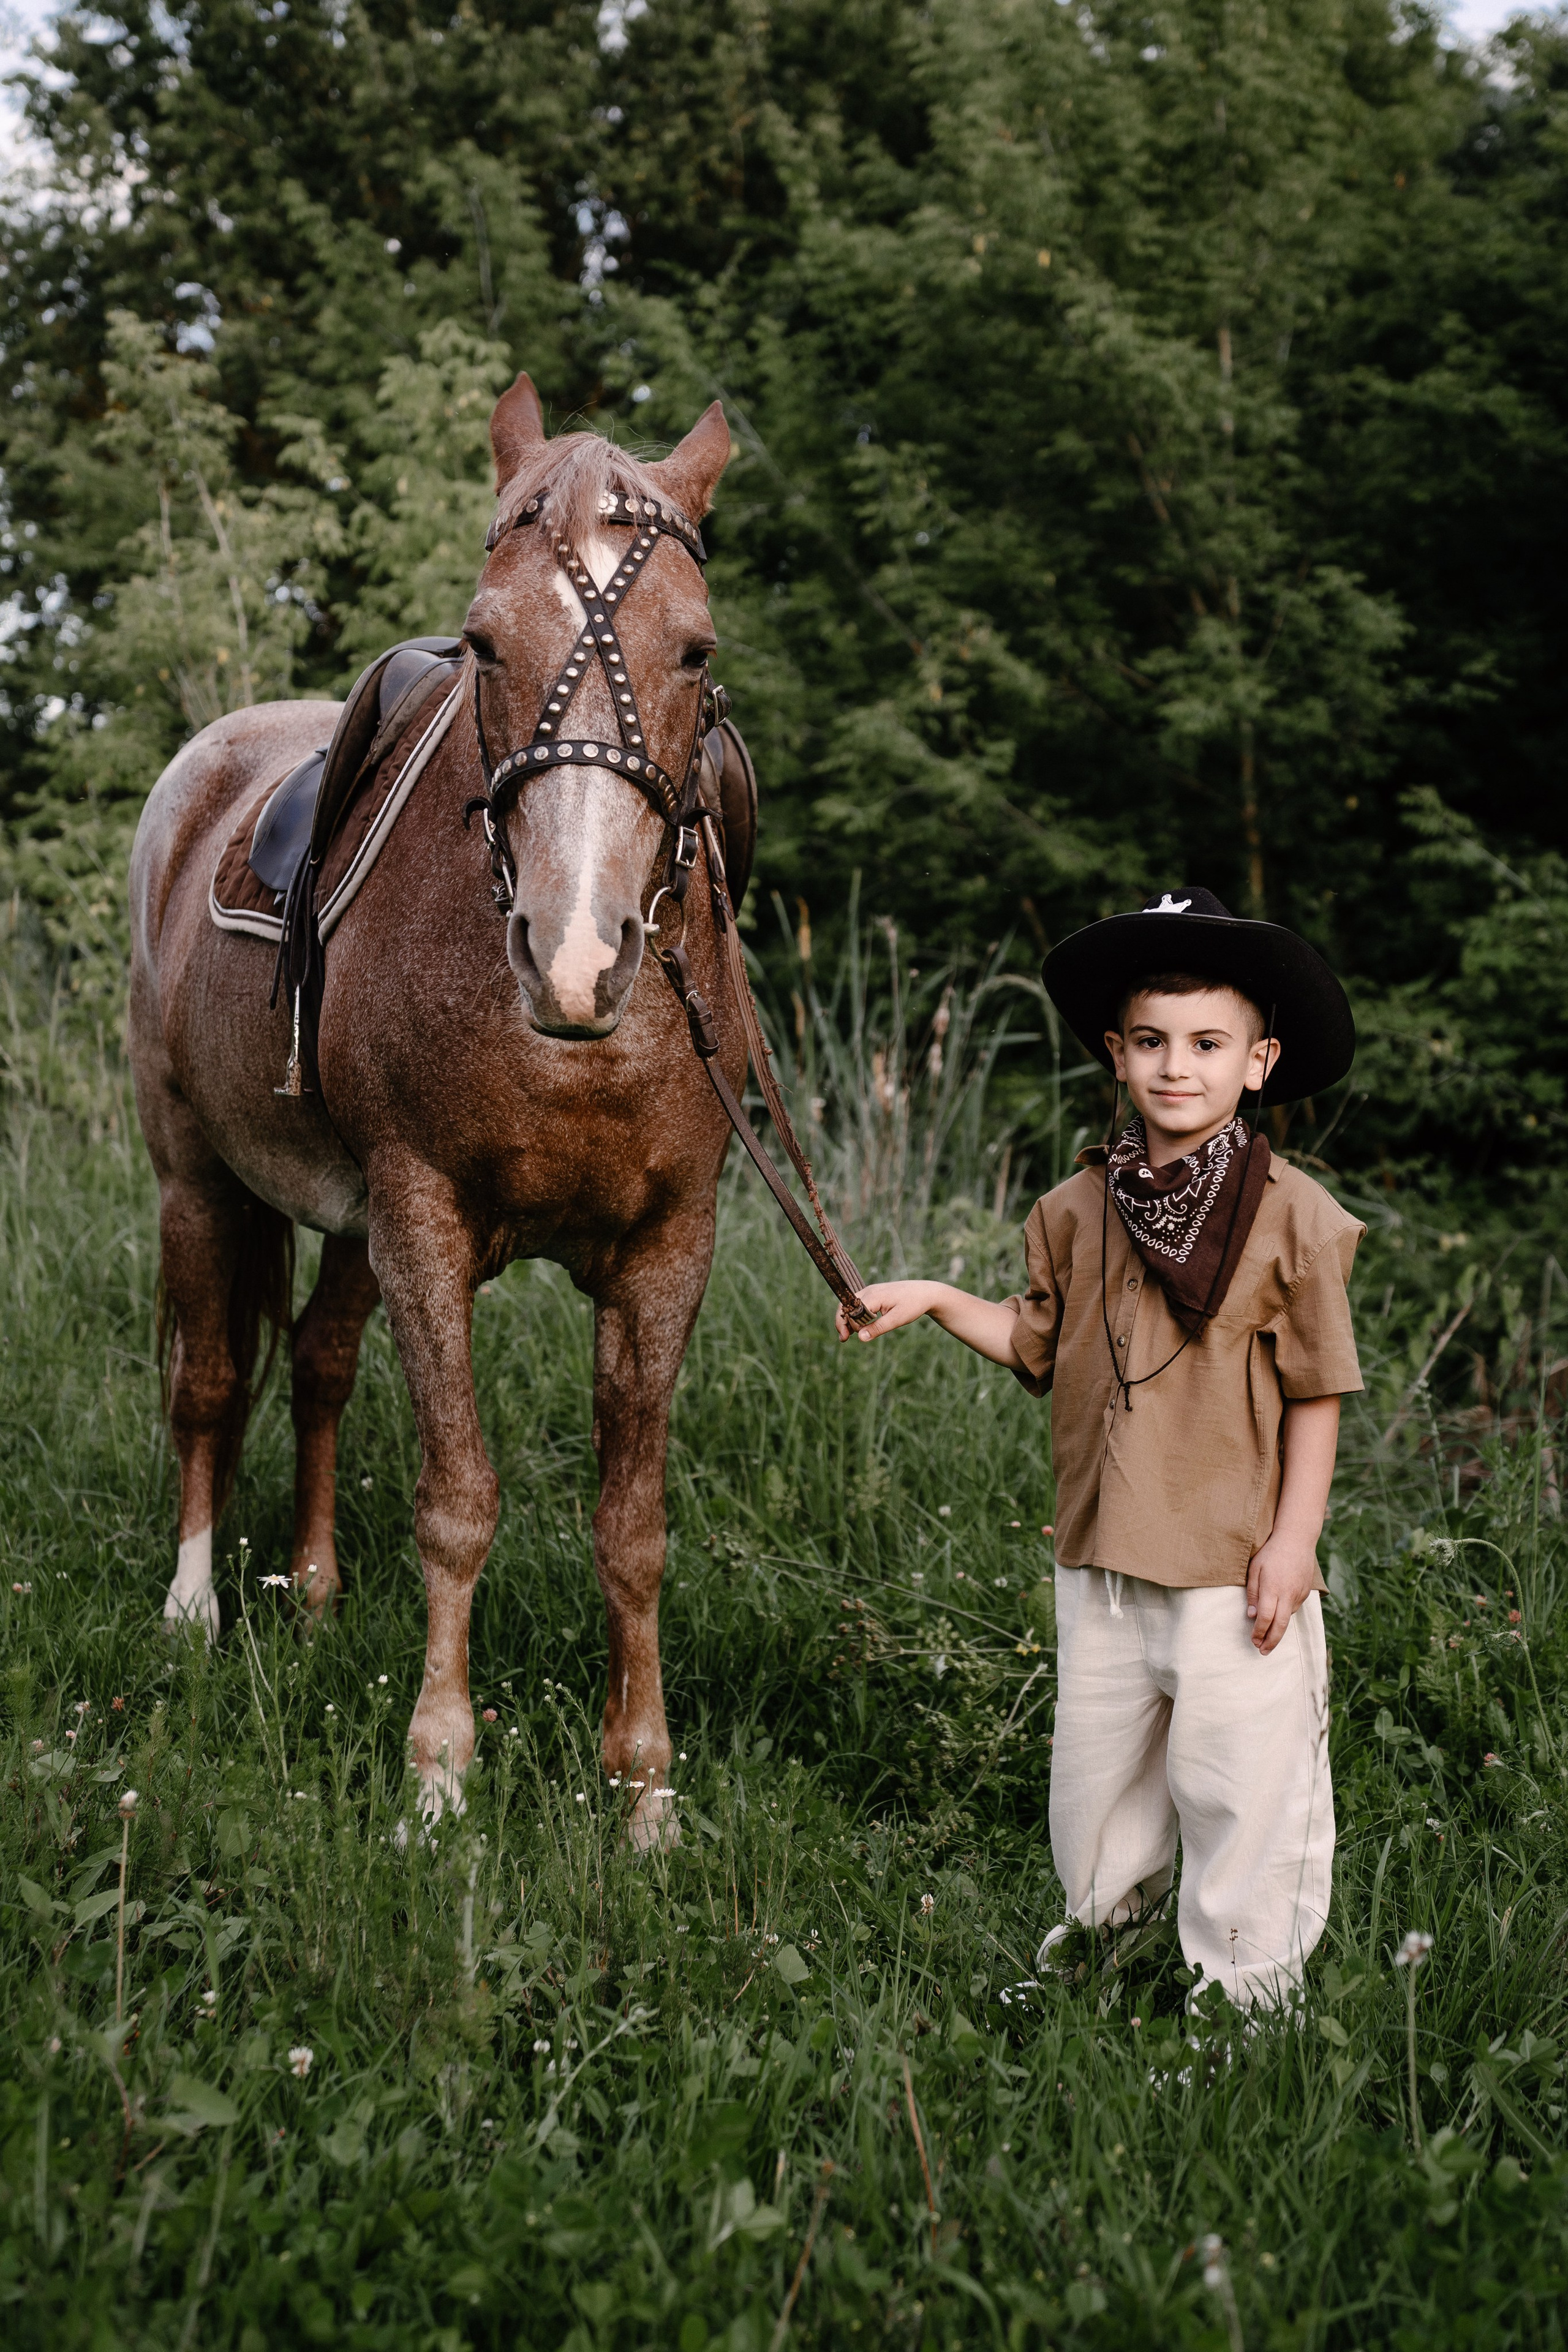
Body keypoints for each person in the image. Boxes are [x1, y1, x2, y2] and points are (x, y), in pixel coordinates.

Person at [838, 887, 1363, 2008]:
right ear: (1118, 1055)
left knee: (1242, 1791)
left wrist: (1294, 1543)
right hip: (1103, 1558)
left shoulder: (1295, 1218)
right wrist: (934, 1297)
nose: (1178, 1066)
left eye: (1209, 1044)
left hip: (1232, 1565)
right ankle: (1098, 1967)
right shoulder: (1076, 1208)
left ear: (1259, 1063)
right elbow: (1035, 1343)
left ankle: (1245, 2007)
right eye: (1152, 1041)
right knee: (1097, 1788)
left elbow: (1319, 1394)